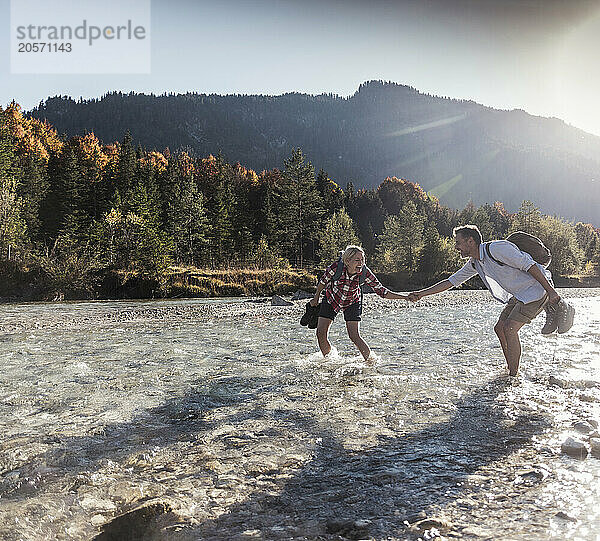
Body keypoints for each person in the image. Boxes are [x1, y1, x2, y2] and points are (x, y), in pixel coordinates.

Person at [408, 225, 561, 377]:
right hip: (521, 294)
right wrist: (421, 294)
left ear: (470, 241)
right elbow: (451, 281)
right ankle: (512, 369)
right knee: (500, 328)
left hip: (536, 290)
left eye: (458, 243)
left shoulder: (496, 249)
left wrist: (551, 291)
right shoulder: (475, 262)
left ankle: (513, 375)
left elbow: (530, 265)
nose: (456, 247)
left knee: (510, 328)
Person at [310, 245, 409, 363]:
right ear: (347, 261)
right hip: (332, 299)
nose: (360, 263)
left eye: (362, 260)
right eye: (357, 260)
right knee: (320, 333)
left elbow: (382, 292)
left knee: (354, 335)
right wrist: (315, 298)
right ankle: (329, 360)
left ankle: (371, 362)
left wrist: (405, 297)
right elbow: (322, 282)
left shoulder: (365, 273)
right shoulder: (335, 268)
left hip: (352, 301)